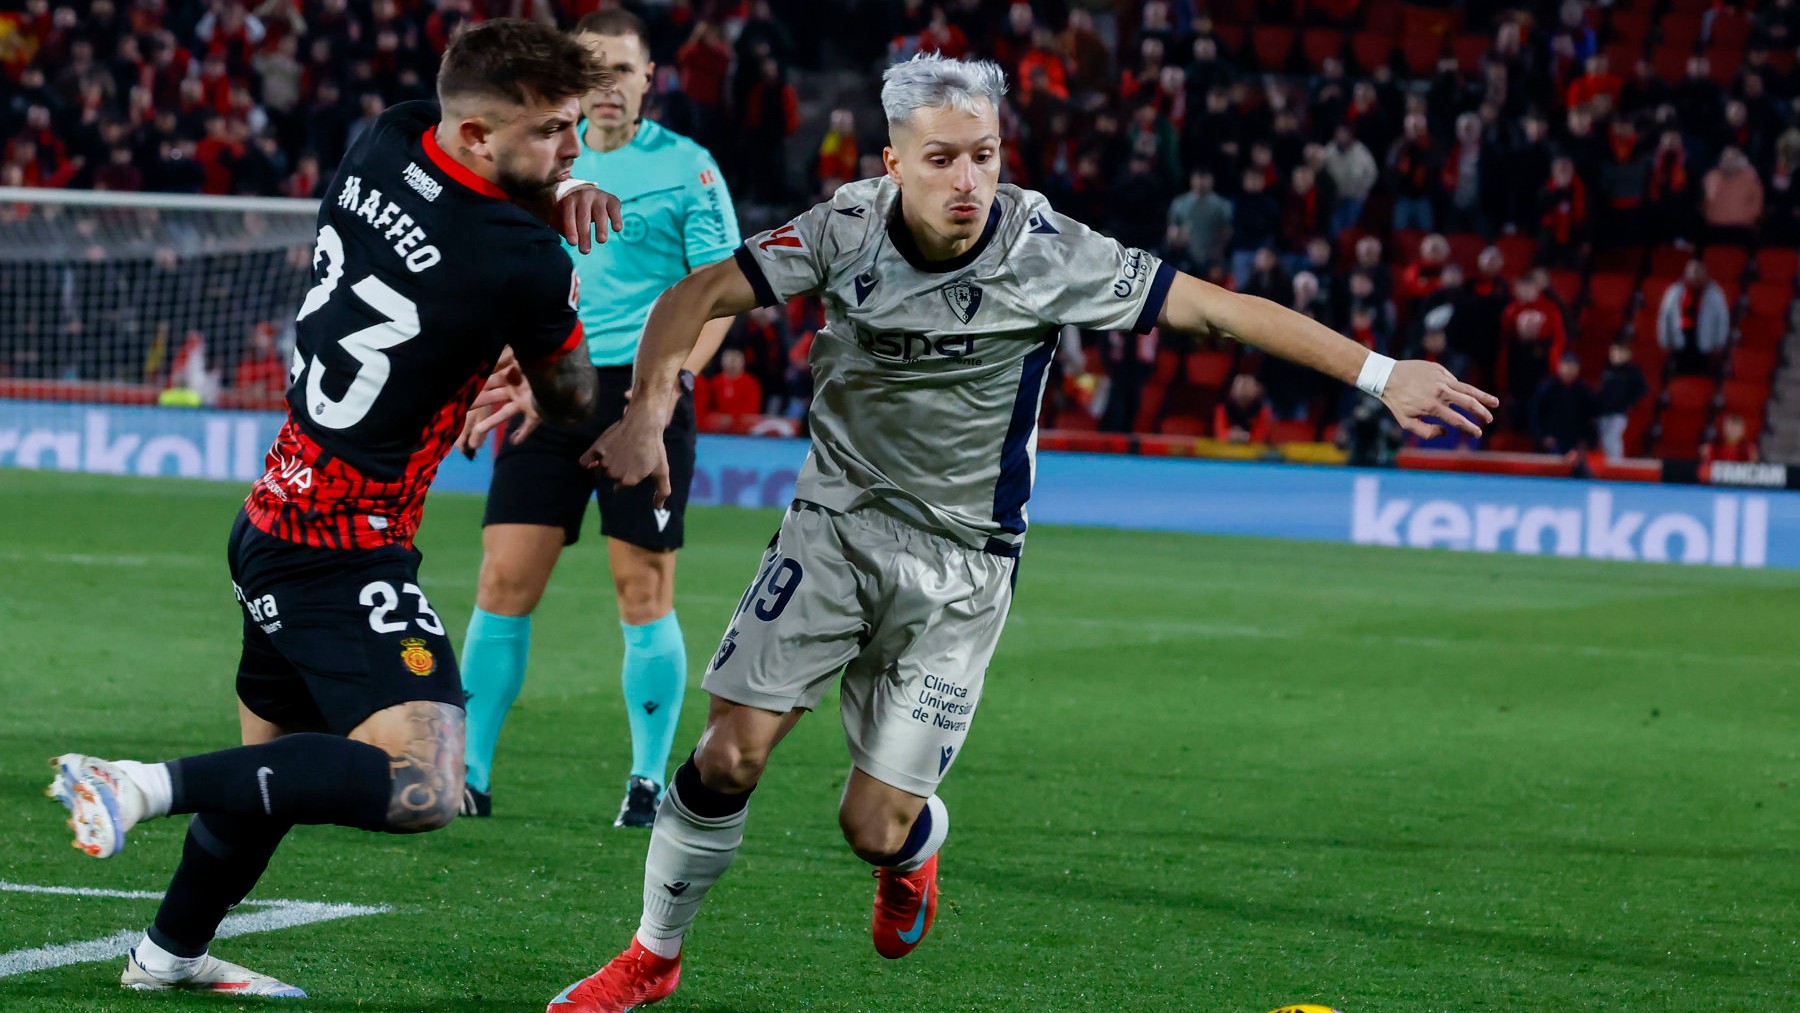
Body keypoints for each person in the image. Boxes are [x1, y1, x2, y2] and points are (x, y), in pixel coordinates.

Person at [549, 53, 1496, 1013]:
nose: (969, 182)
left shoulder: (1046, 248)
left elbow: (1220, 311)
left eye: (985, 156)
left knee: (871, 825)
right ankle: (652, 956)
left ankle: (913, 852)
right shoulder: (843, 227)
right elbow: (695, 295)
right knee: (727, 756)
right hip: (832, 528)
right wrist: (644, 410)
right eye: (943, 159)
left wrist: (1381, 374)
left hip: (964, 567)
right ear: (892, 162)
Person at [47, 20, 620, 997]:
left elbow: (446, 230)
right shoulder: (520, 257)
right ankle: (137, 782)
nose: (574, 149)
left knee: (270, 778)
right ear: (481, 136)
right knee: (425, 782)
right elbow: (569, 398)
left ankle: (167, 953)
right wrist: (542, 287)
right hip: (344, 552)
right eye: (554, 133)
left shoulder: (386, 137)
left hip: (273, 512)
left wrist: (537, 196)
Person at [452, 9, 741, 829]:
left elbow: (720, 293)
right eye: (594, 69)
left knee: (641, 588)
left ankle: (648, 780)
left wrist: (672, 385)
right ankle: (469, 771)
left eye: (624, 69)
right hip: (548, 384)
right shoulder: (537, 156)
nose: (609, 85)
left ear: (651, 76)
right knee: (503, 579)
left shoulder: (689, 168)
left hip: (643, 394)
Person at [1595, 342, 1648, 458]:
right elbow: (1602, 391)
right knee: (1603, 437)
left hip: (1619, 412)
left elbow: (1642, 389)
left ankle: (1616, 462)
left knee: (1612, 437)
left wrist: (1627, 403)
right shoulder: (1607, 371)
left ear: (1627, 355)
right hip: (1604, 411)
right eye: (1613, 352)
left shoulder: (1632, 371)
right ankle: (1606, 463)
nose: (1616, 355)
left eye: (1619, 353)